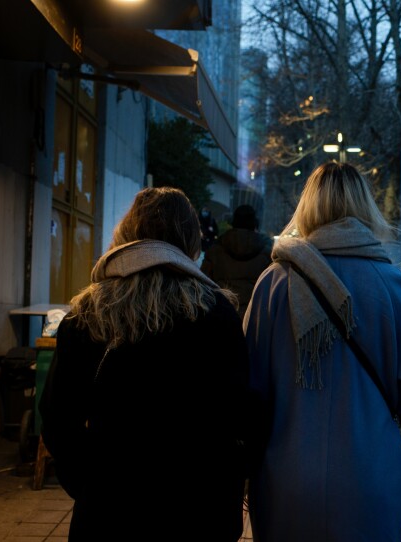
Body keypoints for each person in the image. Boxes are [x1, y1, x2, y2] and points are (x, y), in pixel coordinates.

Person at [243, 162, 401, 542]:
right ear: (365, 207)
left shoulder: (273, 283)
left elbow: (249, 387)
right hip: (369, 478)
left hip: (284, 478)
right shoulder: (393, 285)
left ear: (307, 208)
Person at [39, 187, 251, 541]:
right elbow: (240, 414)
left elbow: (58, 417)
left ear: (125, 234)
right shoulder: (216, 312)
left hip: (110, 510)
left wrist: (90, 485)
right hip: (199, 510)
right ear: (191, 240)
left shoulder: (89, 313)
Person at [202, 204, 274, 315]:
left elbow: (203, 286)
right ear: (255, 223)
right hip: (256, 318)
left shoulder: (215, 251)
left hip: (222, 317)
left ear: (233, 222)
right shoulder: (268, 254)